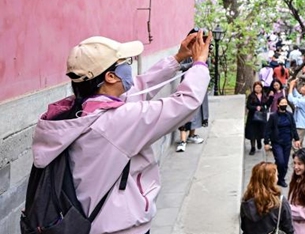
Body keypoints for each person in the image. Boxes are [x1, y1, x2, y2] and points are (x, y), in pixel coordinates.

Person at [30, 32, 211, 234]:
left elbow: (138, 89)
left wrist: (177, 59)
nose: (129, 67)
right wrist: (200, 64)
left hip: (92, 223)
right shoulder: (117, 122)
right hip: (120, 228)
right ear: (110, 76)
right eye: (125, 62)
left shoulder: (76, 111)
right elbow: (185, 103)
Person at [241, 162, 294, 234]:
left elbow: (243, 226)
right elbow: (289, 229)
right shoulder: (280, 202)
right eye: (276, 176)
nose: (277, 179)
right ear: (271, 180)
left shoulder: (246, 200)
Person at [265, 97, 302, 187]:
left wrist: (297, 139)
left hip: (287, 142)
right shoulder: (273, 116)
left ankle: (280, 178)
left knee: (284, 163)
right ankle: (274, 173)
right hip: (277, 142)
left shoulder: (289, 115)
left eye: (285, 103)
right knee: (280, 161)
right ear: (278, 105)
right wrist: (266, 142)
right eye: (282, 103)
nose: (284, 105)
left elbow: (293, 127)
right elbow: (268, 129)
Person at [246, 81, 271, 155]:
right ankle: (253, 147)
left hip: (262, 116)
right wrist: (255, 107)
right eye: (256, 87)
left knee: (260, 131)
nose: (258, 89)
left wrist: (263, 107)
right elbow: (248, 106)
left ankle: (259, 140)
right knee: (252, 132)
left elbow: (267, 105)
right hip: (253, 117)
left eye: (259, 87)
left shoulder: (264, 95)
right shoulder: (251, 96)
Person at [288, 79, 305, 146]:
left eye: (304, 87)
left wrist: (291, 86)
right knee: (299, 143)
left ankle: (299, 156)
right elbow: (297, 95)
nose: (302, 87)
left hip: (301, 125)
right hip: (300, 123)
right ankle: (301, 156)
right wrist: (294, 87)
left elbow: (291, 99)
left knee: (296, 144)